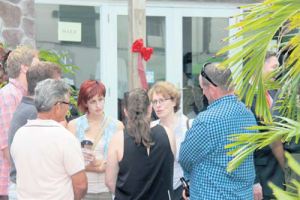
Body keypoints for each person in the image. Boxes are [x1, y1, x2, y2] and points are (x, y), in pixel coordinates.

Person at [179, 62, 258, 200]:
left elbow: (185, 157)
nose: (202, 92)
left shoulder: (206, 121)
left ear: (212, 89)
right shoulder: (248, 113)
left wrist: (188, 179)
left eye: (203, 88)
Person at [11, 79, 87, 200]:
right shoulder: (65, 138)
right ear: (57, 106)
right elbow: (81, 185)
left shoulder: (19, 135)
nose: (68, 109)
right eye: (68, 104)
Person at [105, 88, 176, 199]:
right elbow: (169, 169)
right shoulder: (167, 134)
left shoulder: (118, 139)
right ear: (150, 108)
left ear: (126, 112)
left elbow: (109, 181)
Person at [7, 61, 62, 200]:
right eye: (57, 84)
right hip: (30, 191)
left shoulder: (27, 106)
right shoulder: (35, 113)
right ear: (45, 87)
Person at [67, 79, 124, 200]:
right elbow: (70, 160)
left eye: (100, 99)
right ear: (85, 103)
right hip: (82, 191)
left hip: (107, 190)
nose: (98, 105)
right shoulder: (74, 125)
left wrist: (98, 165)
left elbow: (121, 159)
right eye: (93, 101)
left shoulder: (117, 125)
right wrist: (99, 167)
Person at [242, 52, 284, 200]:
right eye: (275, 67)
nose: (280, 71)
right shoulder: (243, 97)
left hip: (282, 176)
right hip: (262, 177)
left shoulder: (275, 92)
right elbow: (244, 144)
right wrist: (254, 182)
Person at [0, 45, 39, 200]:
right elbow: (8, 147)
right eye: (36, 67)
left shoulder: (21, 95)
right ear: (24, 68)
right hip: (8, 186)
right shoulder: (8, 96)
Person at [148, 81, 190, 200]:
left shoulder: (187, 127)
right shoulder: (151, 128)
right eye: (154, 101)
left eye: (161, 100)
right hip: (157, 190)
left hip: (181, 191)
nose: (157, 105)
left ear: (173, 101)